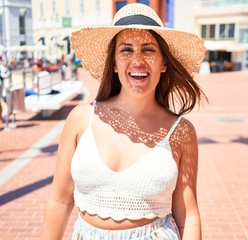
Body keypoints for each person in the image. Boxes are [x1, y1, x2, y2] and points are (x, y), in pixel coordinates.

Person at [40, 3, 207, 240]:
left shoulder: (181, 132)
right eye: (126, 50)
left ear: (164, 63)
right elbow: (59, 200)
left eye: (148, 50)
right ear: (114, 63)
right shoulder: (80, 119)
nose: (137, 60)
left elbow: (188, 215)